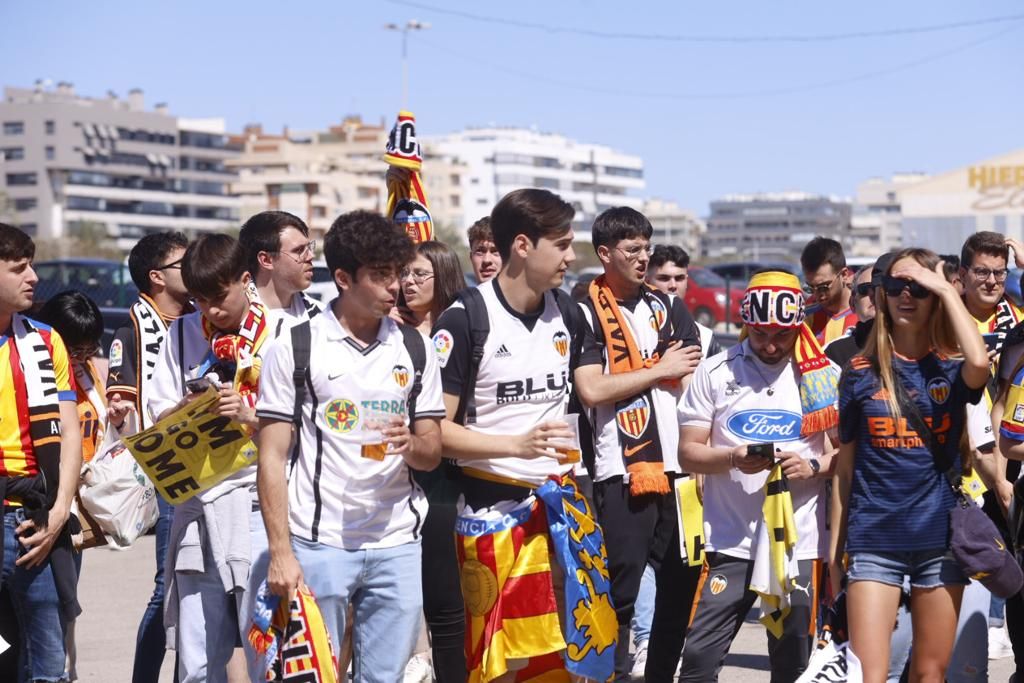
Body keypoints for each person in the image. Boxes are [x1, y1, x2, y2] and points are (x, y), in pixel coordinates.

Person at [433, 189, 615, 682]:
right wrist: (515, 445)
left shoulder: (569, 314)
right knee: (498, 664)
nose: (571, 256)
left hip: (562, 513)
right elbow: (435, 434)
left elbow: (593, 388)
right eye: (561, 244)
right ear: (522, 246)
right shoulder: (465, 318)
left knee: (568, 654)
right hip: (492, 517)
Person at [256, 210, 444, 682]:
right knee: (314, 675)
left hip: (398, 543)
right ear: (342, 278)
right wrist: (281, 551)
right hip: (319, 545)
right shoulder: (296, 347)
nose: (394, 288)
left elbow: (432, 450)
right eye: (380, 277)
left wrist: (411, 445)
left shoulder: (416, 349)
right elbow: (272, 456)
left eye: (397, 275)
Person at [830, 248, 988, 682]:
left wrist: (944, 285)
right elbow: (845, 470)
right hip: (874, 537)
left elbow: (979, 362)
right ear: (881, 295)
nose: (906, 296)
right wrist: (833, 552)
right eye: (896, 286)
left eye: (918, 289)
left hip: (938, 540)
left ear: (935, 296)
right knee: (869, 674)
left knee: (929, 675)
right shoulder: (859, 371)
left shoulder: (951, 370)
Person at [678, 270, 839, 683]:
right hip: (730, 540)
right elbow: (688, 452)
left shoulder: (824, 376)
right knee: (698, 657)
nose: (771, 344)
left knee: (792, 664)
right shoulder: (715, 372)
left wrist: (815, 466)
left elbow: (848, 455)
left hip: (797, 543)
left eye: (782, 335)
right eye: (761, 333)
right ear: (746, 323)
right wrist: (732, 457)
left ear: (798, 326)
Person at [573, 207, 702, 682]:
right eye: (633, 250)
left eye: (647, 247)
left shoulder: (668, 306)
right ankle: (610, 674)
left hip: (679, 469)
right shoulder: (584, 309)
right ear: (605, 254)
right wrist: (656, 370)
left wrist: (640, 375)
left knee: (678, 586)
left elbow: (688, 376)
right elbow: (591, 389)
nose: (644, 258)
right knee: (620, 593)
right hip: (621, 469)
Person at [147, 234, 271, 683]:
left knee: (266, 645)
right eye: (198, 300)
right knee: (197, 653)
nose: (211, 311)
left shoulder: (281, 330)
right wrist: (183, 409)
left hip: (261, 504)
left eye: (219, 297)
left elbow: (303, 422)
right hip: (199, 502)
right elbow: (155, 414)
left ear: (245, 279)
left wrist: (249, 415)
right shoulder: (181, 332)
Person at [103, 230, 192, 683]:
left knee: (204, 590)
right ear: (157, 277)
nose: (194, 267)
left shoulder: (203, 320)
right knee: (169, 587)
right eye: (184, 262)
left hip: (217, 466)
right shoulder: (133, 328)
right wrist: (119, 408)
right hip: (171, 472)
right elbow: (120, 398)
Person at [0, 223, 83, 683]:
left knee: (47, 654)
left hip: (36, 516)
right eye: (18, 268)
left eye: (30, 264)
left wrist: (59, 511)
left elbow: (69, 433)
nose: (33, 276)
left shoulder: (45, 340)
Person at [36, 291, 107, 682]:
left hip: (74, 507)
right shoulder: (33, 371)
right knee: (35, 607)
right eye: (75, 349)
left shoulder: (84, 372)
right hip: (38, 500)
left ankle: (64, 669)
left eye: (89, 348)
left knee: (64, 600)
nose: (83, 357)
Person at [238, 210, 322, 337]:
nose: (311, 256)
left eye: (309, 247)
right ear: (266, 260)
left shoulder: (321, 318)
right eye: (299, 250)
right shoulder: (228, 321)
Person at [645, 244, 722, 359]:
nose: (673, 285)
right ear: (647, 281)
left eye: (679, 278)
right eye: (664, 278)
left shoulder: (706, 337)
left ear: (686, 281)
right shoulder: (635, 327)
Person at [396, 240, 467, 336]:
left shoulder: (465, 327)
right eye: (404, 273)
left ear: (443, 277)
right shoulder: (391, 327)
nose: (408, 280)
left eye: (419, 274)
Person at [800, 236, 858, 346]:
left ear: (844, 274)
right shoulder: (804, 319)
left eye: (824, 286)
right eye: (810, 288)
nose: (818, 295)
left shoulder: (867, 315)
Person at [467, 216, 501, 283]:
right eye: (480, 251)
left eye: (495, 251)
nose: (486, 260)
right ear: (471, 257)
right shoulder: (462, 293)